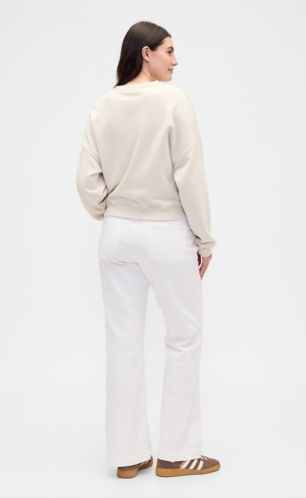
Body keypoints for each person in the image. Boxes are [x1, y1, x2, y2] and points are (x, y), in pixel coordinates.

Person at [76, 21, 220, 479]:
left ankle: (127, 455)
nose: (176, 60)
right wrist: (204, 239)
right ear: (146, 53)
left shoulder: (103, 105)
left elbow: (86, 179)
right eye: (169, 51)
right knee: (184, 337)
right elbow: (189, 175)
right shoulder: (173, 101)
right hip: (166, 234)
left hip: (116, 235)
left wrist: (111, 211)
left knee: (122, 342)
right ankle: (177, 453)